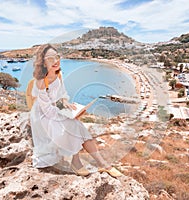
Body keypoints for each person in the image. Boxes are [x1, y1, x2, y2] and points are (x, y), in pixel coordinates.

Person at [29, 44, 122, 177]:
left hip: (54, 109)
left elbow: (62, 94)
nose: (55, 61)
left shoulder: (58, 74)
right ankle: (90, 163)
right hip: (42, 116)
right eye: (50, 58)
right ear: (43, 62)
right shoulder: (40, 82)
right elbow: (47, 110)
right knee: (74, 124)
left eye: (57, 57)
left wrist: (66, 103)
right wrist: (67, 116)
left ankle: (97, 163)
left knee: (75, 124)